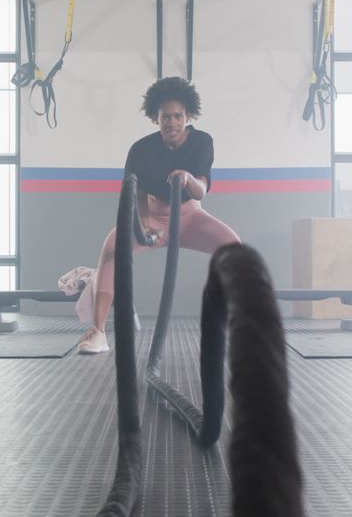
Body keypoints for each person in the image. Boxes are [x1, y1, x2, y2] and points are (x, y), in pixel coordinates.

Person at [78, 77, 241, 354]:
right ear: (156, 118)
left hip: (189, 215)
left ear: (188, 116)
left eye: (177, 116)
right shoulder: (141, 149)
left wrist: (187, 179)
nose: (172, 122)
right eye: (166, 116)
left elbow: (201, 190)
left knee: (235, 249)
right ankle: (98, 332)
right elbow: (137, 192)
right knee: (110, 249)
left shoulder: (202, 142)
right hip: (153, 218)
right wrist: (143, 225)